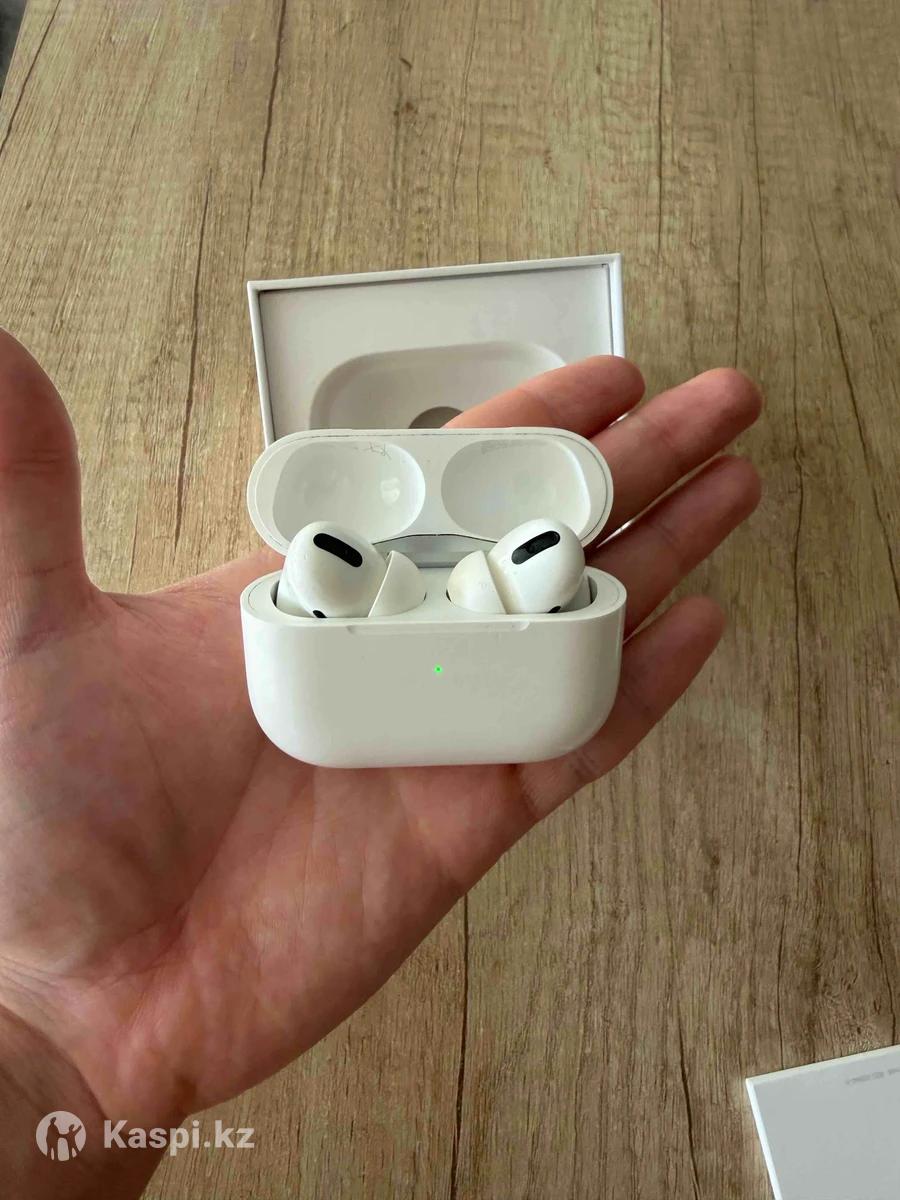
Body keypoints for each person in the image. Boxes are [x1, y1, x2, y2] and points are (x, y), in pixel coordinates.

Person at [0, 330, 761, 1197]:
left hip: (440, 700)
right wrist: (42, 1035)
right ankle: (466, 588)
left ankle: (449, 588)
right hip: (448, 699)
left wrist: (49, 1044)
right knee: (458, 580)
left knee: (453, 580)